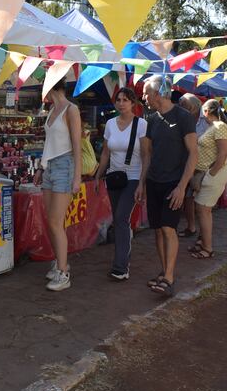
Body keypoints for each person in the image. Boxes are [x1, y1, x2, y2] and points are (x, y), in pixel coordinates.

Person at [142, 75, 198, 297]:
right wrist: (141, 184)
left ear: (157, 94)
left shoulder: (183, 117)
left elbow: (194, 153)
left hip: (174, 182)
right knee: (157, 230)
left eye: (146, 92)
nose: (143, 97)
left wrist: (182, 186)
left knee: (168, 228)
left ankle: (169, 277)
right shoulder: (151, 119)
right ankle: (164, 272)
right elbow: (146, 154)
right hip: (154, 181)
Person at [93, 88, 149, 280]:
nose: (121, 103)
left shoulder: (141, 124)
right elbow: (106, 153)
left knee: (121, 217)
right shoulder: (110, 123)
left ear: (133, 103)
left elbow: (146, 155)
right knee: (119, 221)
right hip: (113, 177)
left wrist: (142, 182)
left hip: (133, 177)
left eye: (125, 100)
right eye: (118, 100)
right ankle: (123, 258)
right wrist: (98, 175)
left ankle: (120, 267)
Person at [32, 79, 81, 291]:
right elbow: (48, 143)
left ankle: (63, 272)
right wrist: (41, 169)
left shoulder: (71, 109)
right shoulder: (53, 109)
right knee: (51, 221)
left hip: (65, 165)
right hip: (51, 165)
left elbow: (77, 145)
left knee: (55, 221)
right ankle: (60, 263)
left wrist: (77, 176)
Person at [187, 99, 227, 259]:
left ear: (206, 111)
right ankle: (203, 242)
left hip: (212, 174)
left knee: (203, 210)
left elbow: (222, 154)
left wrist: (210, 174)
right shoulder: (213, 127)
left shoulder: (220, 127)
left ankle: (207, 248)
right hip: (206, 173)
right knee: (202, 210)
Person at [177, 93, 206, 237]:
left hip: (203, 165)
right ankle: (191, 227)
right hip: (187, 163)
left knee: (201, 201)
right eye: (182, 106)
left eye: (186, 107)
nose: (183, 109)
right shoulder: (182, 119)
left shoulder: (205, 119)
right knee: (188, 198)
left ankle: (203, 232)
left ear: (195, 107)